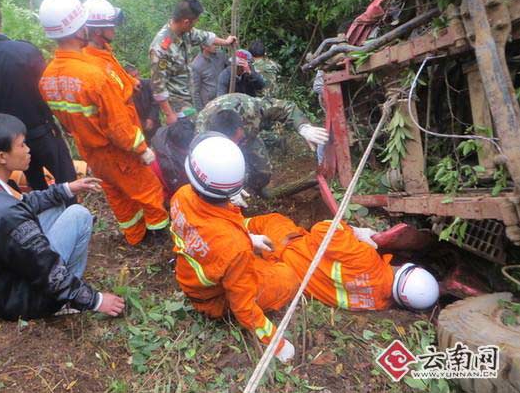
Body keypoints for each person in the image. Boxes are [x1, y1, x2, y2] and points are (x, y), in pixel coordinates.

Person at [0, 113, 125, 320]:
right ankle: (63, 303)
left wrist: (67, 189)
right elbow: (45, 268)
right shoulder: (6, 213)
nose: (28, 149)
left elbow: (21, 205)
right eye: (21, 145)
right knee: (78, 214)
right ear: (2, 157)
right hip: (12, 300)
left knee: (57, 208)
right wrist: (95, 300)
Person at [38, 0, 169, 246]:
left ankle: (135, 236)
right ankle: (159, 237)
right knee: (148, 189)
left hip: (90, 149)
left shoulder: (48, 77)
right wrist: (141, 149)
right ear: (81, 31)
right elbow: (117, 125)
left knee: (116, 191)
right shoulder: (93, 76)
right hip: (117, 148)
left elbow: (67, 121)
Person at [170, 134, 299, 363]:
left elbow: (207, 234)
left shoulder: (181, 196)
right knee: (287, 278)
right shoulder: (233, 246)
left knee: (261, 231)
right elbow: (244, 307)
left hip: (196, 273)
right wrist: (276, 344)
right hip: (212, 299)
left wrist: (249, 238)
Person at [0, 0, 76, 193]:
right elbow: (48, 90)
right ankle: (75, 214)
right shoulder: (26, 50)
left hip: (7, 140)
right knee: (67, 178)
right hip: (42, 132)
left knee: (35, 184)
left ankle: (43, 217)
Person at [245, 214, 440, 311]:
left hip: (288, 249)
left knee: (272, 220)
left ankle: (231, 224)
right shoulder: (378, 304)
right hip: (288, 279)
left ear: (405, 267)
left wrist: (356, 232)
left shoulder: (365, 260)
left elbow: (322, 230)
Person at [195, 93, 328, 196]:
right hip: (220, 152)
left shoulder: (251, 108)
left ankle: (255, 190)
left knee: (263, 173)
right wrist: (225, 189)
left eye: (238, 139)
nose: (237, 146)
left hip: (249, 138)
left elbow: (286, 107)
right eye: (233, 143)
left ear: (241, 124)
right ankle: (232, 195)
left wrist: (303, 127)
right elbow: (203, 169)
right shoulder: (203, 136)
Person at [149, 0, 236, 125]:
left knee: (198, 127)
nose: (195, 25)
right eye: (195, 21)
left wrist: (226, 42)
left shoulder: (186, 32)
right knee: (189, 134)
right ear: (186, 22)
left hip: (189, 97)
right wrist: (169, 114)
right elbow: (158, 86)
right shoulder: (160, 48)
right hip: (175, 104)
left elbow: (205, 37)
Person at [150, 119, 195, 199]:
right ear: (185, 148)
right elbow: (184, 189)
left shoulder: (163, 139)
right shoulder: (176, 167)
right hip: (169, 194)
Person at [125, 64, 160, 142]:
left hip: (154, 122)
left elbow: (155, 102)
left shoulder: (148, 84)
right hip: (138, 127)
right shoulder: (125, 92)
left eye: (137, 75)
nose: (137, 78)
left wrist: (151, 119)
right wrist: (142, 123)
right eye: (133, 77)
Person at [190, 43, 228, 110]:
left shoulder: (221, 55)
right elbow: (195, 92)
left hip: (224, 99)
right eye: (213, 44)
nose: (216, 45)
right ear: (203, 46)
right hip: (209, 105)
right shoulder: (196, 65)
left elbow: (230, 70)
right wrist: (201, 111)